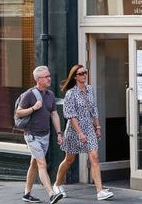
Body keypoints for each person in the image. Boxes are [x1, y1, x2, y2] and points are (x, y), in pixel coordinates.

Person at [53, 64, 114, 201]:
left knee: (94, 157)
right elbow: (71, 115)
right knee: (69, 159)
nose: (84, 75)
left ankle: (100, 191)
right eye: (81, 74)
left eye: (85, 73)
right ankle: (57, 184)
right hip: (75, 129)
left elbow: (94, 110)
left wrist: (97, 127)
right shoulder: (71, 93)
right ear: (75, 77)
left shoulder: (90, 90)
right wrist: (80, 133)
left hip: (89, 128)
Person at [17, 65, 64, 204]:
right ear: (38, 79)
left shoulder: (49, 95)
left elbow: (54, 114)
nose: (49, 78)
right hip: (31, 135)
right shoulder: (29, 95)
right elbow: (18, 113)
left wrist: (59, 133)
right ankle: (51, 194)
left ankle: (26, 194)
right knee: (42, 164)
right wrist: (33, 108)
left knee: (34, 163)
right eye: (46, 77)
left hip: (45, 135)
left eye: (49, 75)